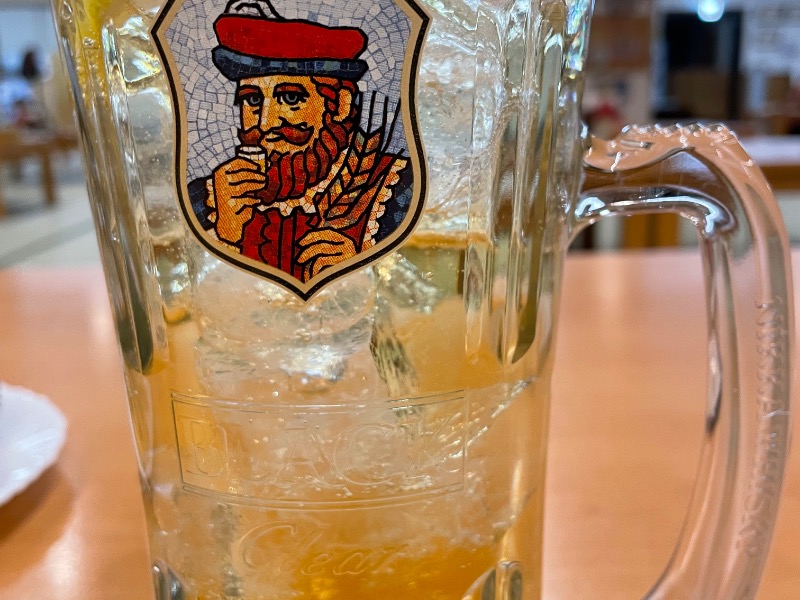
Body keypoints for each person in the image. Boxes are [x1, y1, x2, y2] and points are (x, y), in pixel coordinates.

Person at [189, 0, 412, 284]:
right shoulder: (204, 199)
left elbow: (413, 288)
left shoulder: (396, 189)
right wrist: (226, 235)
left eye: (290, 98)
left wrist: (358, 266)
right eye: (253, 100)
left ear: (341, 105)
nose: (266, 123)